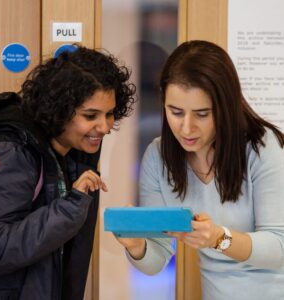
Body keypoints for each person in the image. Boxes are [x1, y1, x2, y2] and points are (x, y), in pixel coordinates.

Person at [116, 40, 284, 300]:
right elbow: (157, 259)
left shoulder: (263, 147)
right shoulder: (157, 158)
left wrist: (219, 238)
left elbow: (279, 247)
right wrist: (137, 245)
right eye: (176, 112)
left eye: (202, 114)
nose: (186, 128)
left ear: (226, 107)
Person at [0, 45, 135, 300]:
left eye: (110, 114)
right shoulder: (13, 150)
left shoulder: (76, 151)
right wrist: (70, 208)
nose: (104, 127)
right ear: (60, 110)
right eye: (91, 115)